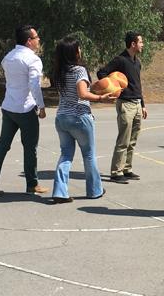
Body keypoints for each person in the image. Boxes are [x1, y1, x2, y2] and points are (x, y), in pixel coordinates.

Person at [0, 25, 49, 196]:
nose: (39, 40)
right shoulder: (33, 60)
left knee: (2, 145)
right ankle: (32, 184)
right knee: (30, 148)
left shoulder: (8, 57)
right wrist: (41, 106)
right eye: (36, 38)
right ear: (29, 41)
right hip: (26, 109)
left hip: (9, 107)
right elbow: (34, 85)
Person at [51, 37, 116, 203]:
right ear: (74, 52)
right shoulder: (79, 70)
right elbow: (82, 94)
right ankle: (95, 190)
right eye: (78, 48)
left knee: (65, 155)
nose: (81, 50)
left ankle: (60, 191)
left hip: (62, 118)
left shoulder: (59, 71)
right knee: (88, 154)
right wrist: (101, 98)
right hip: (79, 117)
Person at [97, 32, 147, 184]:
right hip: (126, 104)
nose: (142, 44)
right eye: (141, 42)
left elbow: (137, 84)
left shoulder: (137, 62)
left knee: (132, 140)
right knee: (123, 139)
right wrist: (114, 87)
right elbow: (101, 73)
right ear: (133, 44)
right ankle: (116, 172)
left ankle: (127, 169)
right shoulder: (120, 60)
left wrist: (143, 105)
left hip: (137, 104)